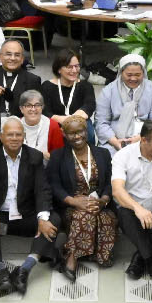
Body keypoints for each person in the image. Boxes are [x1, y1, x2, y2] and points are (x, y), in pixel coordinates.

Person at [0, 117, 58, 297]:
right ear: (1, 136)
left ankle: (24, 270)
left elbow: (42, 190)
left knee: (53, 220)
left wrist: (42, 219)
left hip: (25, 217)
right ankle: (1, 272)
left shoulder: (34, 156)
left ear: (24, 136)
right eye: (10, 135)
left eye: (18, 134)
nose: (15, 138)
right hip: (0, 218)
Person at [47, 115, 117, 280]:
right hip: (70, 206)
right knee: (83, 216)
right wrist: (73, 201)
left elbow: (109, 182)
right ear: (64, 134)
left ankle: (72, 250)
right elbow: (53, 185)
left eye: (80, 132)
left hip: (99, 203)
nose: (77, 136)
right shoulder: (57, 156)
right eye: (72, 133)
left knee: (105, 220)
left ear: (87, 131)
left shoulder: (103, 153)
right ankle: (72, 258)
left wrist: (103, 200)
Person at [112, 118, 152, 286]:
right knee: (124, 213)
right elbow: (117, 191)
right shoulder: (123, 156)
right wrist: (138, 209)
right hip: (133, 206)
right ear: (144, 140)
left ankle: (141, 258)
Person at [96, 53, 152, 152]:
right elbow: (101, 123)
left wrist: (140, 138)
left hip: (146, 138)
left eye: (138, 75)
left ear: (144, 73)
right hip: (114, 140)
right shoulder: (108, 91)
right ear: (121, 72)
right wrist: (115, 142)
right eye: (129, 75)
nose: (133, 79)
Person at [42, 48, 98, 120]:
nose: (74, 70)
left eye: (77, 66)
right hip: (54, 123)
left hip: (79, 122)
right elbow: (45, 111)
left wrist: (75, 118)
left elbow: (90, 105)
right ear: (59, 69)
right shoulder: (47, 86)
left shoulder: (86, 86)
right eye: (69, 67)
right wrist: (62, 120)